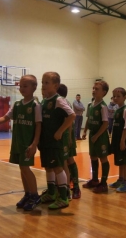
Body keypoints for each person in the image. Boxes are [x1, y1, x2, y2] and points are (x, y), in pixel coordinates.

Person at [0, 75, 42, 210]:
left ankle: (35, 195)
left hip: (28, 143)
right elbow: (4, 118)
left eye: (25, 86)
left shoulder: (35, 105)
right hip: (17, 142)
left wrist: (34, 144)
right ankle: (27, 194)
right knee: (22, 168)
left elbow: (39, 126)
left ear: (34, 87)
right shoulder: (17, 105)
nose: (22, 89)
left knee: (26, 168)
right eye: (20, 86)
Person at [39, 72, 75, 209]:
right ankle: (52, 193)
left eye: (46, 83)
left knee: (58, 168)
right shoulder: (44, 101)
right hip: (45, 141)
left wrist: (60, 131)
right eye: (42, 82)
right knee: (48, 167)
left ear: (56, 85)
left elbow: (72, 115)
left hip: (55, 142)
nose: (43, 85)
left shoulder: (58, 100)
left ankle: (64, 198)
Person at [82, 80, 110, 193]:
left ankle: (104, 183)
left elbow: (105, 123)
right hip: (92, 134)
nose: (94, 90)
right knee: (93, 156)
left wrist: (97, 135)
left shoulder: (103, 107)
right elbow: (88, 119)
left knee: (103, 158)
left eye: (97, 89)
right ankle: (94, 180)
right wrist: (84, 131)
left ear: (104, 92)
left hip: (100, 135)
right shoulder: (91, 104)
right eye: (93, 88)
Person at [57, 84, 81, 199]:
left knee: (69, 160)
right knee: (66, 161)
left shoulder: (62, 102)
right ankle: (66, 185)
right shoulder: (61, 101)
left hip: (67, 136)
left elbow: (70, 119)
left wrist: (70, 137)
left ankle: (74, 187)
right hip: (65, 135)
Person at [109, 87, 126, 192]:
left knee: (125, 162)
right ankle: (120, 179)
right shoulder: (117, 109)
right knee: (120, 161)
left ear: (124, 97)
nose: (115, 98)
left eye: (118, 96)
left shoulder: (125, 110)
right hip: (117, 140)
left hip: (124, 141)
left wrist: (123, 141)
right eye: (114, 96)